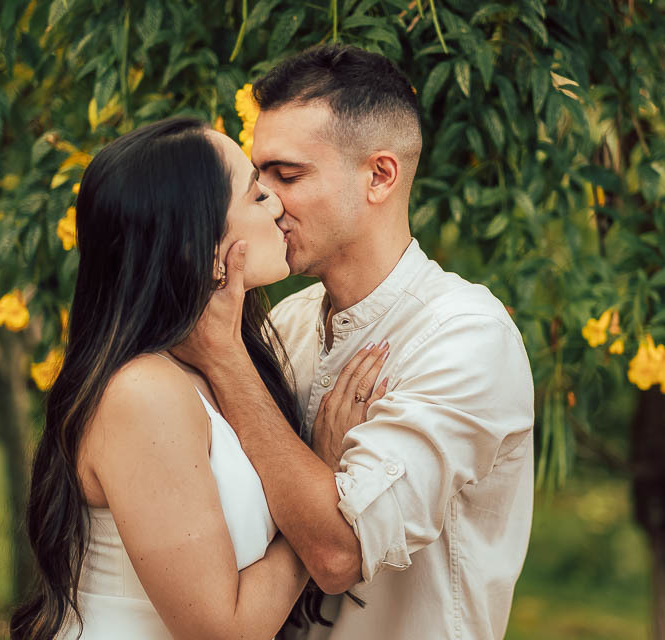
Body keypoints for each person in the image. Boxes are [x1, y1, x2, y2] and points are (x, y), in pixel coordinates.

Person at [171, 44, 536, 640]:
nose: (264, 199)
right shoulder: (286, 322)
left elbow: (340, 554)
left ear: (380, 176)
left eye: (287, 175)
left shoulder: (466, 337)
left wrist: (223, 358)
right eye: (258, 176)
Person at [9, 117, 384, 640]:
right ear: (203, 249)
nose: (277, 204)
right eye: (255, 195)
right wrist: (320, 475)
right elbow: (221, 632)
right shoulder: (145, 394)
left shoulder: (205, 369)